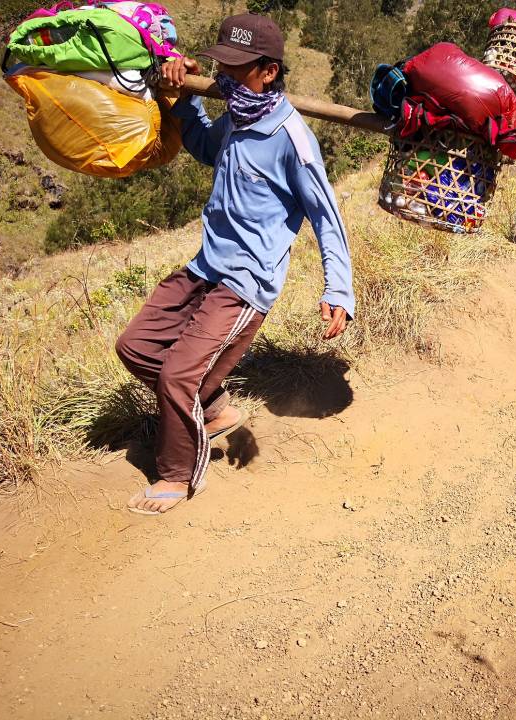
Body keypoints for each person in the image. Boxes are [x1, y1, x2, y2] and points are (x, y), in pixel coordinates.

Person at [115, 12, 355, 515]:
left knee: (178, 374)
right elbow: (205, 146)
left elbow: (326, 216)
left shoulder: (292, 139)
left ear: (268, 72)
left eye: (236, 68)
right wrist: (186, 99)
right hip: (206, 266)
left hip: (245, 284)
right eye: (219, 65)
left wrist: (339, 289)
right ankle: (214, 407)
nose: (224, 76)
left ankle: (178, 474)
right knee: (136, 347)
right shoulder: (238, 116)